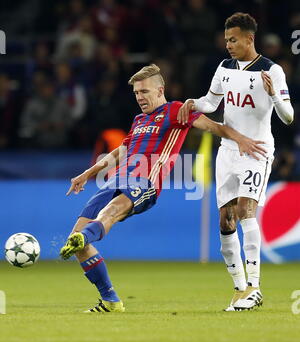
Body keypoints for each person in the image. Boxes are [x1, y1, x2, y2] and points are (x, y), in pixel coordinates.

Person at [60, 63, 266, 313]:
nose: (140, 98)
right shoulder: (139, 120)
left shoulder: (176, 110)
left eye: (144, 92)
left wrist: (242, 139)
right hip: (114, 180)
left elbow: (215, 127)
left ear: (160, 90)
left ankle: (88, 236)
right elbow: (122, 150)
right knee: (77, 242)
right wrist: (88, 173)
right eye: (136, 93)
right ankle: (110, 300)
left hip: (144, 182)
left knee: (110, 213)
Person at [177, 13, 294, 311]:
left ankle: (255, 286)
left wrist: (274, 96)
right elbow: (211, 103)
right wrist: (191, 104)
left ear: (249, 39)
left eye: (233, 39)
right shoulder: (224, 67)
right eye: (226, 39)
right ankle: (240, 290)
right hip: (227, 150)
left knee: (245, 210)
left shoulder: (272, 70)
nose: (228, 44)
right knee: (225, 220)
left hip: (256, 150)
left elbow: (288, 116)